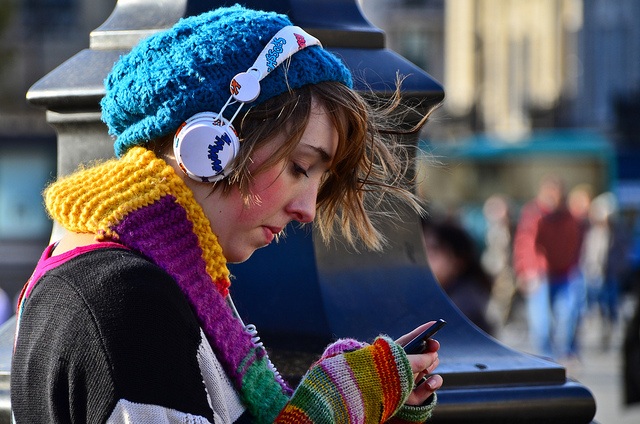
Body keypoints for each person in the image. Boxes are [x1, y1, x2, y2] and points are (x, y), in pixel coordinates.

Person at [10, 5, 443, 423]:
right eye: (299, 166)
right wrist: (330, 405)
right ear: (211, 143)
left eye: (320, 181)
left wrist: (365, 401)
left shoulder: (105, 275)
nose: (307, 210)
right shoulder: (130, 303)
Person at [513, 175, 582, 361]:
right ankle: (546, 358)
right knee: (541, 323)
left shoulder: (570, 217)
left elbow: (575, 243)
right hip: (540, 273)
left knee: (569, 315)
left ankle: (567, 352)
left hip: (564, 272)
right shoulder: (534, 214)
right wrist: (527, 270)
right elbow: (526, 242)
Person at [423, 218, 495, 335]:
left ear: (458, 260)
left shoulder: (464, 306)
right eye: (423, 249)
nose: (425, 258)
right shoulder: (441, 295)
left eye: (433, 250)